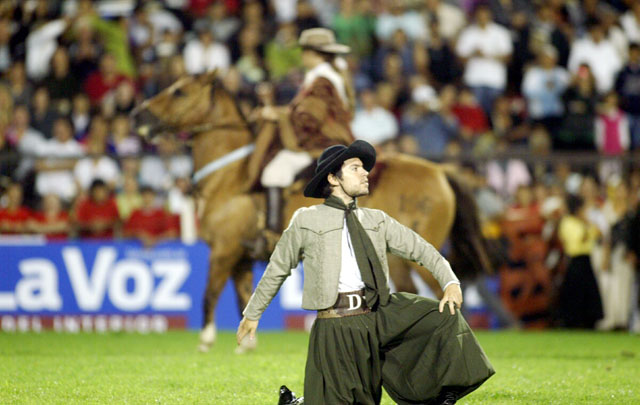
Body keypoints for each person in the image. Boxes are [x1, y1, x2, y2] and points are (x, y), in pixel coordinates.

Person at [237, 140, 494, 405]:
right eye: (355, 168)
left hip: (380, 314)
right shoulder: (306, 220)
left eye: (363, 168)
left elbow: (423, 250)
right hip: (334, 326)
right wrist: (252, 313)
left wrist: (450, 281)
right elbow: (277, 269)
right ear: (333, 178)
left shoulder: (377, 220)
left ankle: (442, 396)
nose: (365, 173)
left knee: (443, 317)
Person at [255, 28, 356, 241]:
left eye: (304, 51)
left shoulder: (322, 81)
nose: (301, 56)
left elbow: (309, 119)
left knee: (273, 172)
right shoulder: (327, 76)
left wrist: (277, 115)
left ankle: (272, 235)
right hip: (330, 139)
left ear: (313, 53)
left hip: (322, 143)